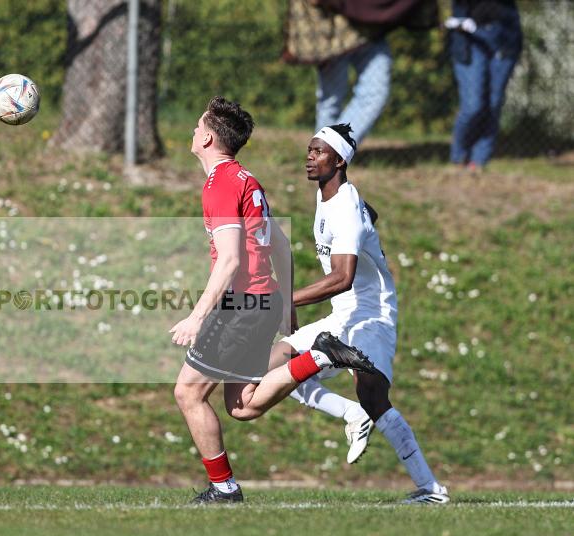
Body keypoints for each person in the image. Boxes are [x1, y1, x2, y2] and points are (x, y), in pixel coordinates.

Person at [170, 97, 378, 504]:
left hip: (242, 305)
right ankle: (318, 357)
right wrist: (284, 304)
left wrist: (198, 317)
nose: (193, 133)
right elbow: (280, 244)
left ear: (208, 137)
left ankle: (224, 488)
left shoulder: (219, 184)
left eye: (197, 127)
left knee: (188, 393)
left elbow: (230, 259)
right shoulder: (246, 179)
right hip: (262, 302)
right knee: (243, 405)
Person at [240, 124, 450, 504]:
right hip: (343, 314)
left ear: (338, 160)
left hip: (371, 313)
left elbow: (342, 278)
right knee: (274, 366)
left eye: (317, 152)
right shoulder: (332, 197)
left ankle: (431, 489)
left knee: (375, 397)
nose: (309, 156)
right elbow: (369, 213)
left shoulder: (344, 207)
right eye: (308, 150)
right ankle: (351, 413)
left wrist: (283, 302)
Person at [284, 0, 438, 145]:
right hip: (330, 32)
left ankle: (332, 151)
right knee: (331, 100)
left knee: (375, 94)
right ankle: (325, 157)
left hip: (370, 32)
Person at [447, 0, 522, 171]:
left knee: (493, 103)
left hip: (505, 38)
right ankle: (459, 155)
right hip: (467, 38)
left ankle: (479, 161)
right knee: (473, 105)